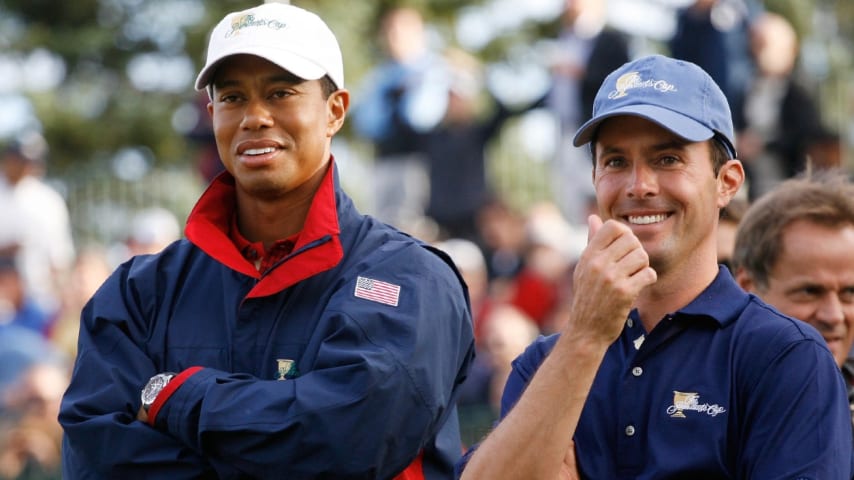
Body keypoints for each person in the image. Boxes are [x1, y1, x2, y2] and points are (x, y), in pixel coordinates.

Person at [58, 4, 475, 479]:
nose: (255, 117)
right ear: (212, 113)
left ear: (335, 110)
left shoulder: (410, 278)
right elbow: (96, 459)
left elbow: (350, 441)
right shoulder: (138, 292)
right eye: (233, 97)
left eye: (280, 93)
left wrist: (177, 397)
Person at [457, 54, 852, 478]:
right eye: (615, 162)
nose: (639, 185)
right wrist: (585, 338)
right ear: (594, 180)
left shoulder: (786, 356)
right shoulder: (546, 361)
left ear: (728, 183)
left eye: (667, 159)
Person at [731, 172, 854, 422]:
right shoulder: (703, 406)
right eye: (810, 292)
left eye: (849, 293)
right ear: (747, 288)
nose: (834, 315)